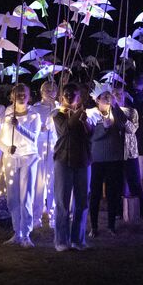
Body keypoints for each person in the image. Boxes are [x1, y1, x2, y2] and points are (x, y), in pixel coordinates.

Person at [0, 83, 40, 247]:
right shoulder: (7, 114)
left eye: (24, 94)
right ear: (12, 96)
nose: (21, 96)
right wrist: (7, 148)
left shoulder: (34, 115)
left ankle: (26, 234)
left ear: (29, 96)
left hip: (28, 158)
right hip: (11, 159)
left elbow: (33, 138)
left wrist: (19, 126)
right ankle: (17, 232)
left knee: (26, 197)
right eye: (18, 94)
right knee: (12, 198)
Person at [52, 83, 92, 251]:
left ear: (78, 96)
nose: (69, 96)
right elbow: (66, 128)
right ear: (62, 97)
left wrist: (85, 121)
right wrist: (80, 110)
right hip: (63, 159)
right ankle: (61, 241)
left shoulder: (85, 115)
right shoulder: (57, 115)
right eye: (66, 94)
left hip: (83, 160)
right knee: (62, 202)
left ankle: (78, 239)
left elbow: (91, 133)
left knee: (82, 202)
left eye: (73, 94)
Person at [86, 81, 128, 236]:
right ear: (97, 99)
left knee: (113, 192)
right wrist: (104, 127)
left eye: (109, 96)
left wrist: (116, 106)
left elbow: (123, 123)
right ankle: (94, 227)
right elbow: (91, 135)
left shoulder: (115, 112)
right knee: (95, 193)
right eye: (104, 96)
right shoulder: (91, 113)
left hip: (114, 158)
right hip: (98, 158)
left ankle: (111, 225)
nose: (107, 99)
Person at [114, 85, 143, 218]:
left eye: (120, 94)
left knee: (134, 181)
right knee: (117, 183)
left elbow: (131, 129)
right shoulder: (110, 111)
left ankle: (142, 211)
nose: (118, 97)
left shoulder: (132, 111)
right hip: (116, 151)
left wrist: (118, 111)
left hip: (130, 151)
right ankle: (118, 211)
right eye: (115, 94)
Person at [31, 81, 57, 228]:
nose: (50, 92)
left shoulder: (59, 107)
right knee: (39, 183)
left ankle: (53, 216)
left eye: (53, 90)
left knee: (52, 182)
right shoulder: (35, 108)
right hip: (40, 147)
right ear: (41, 92)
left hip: (54, 147)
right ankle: (37, 216)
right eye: (47, 90)